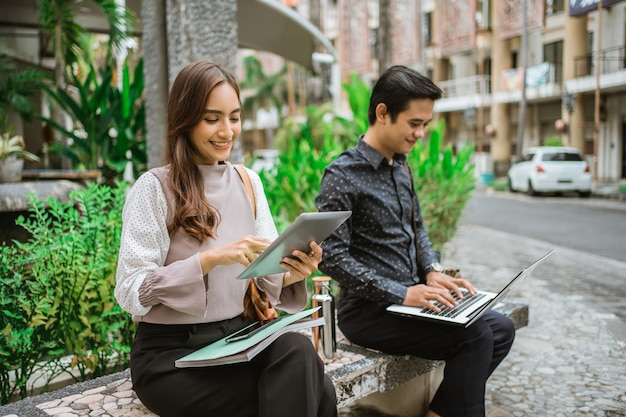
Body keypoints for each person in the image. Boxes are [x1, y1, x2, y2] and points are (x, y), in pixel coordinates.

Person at [115, 60, 338, 417]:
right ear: (185, 119)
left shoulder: (249, 181)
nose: (227, 131)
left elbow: (263, 275)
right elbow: (130, 291)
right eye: (212, 118)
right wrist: (210, 259)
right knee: (315, 389)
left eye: (234, 117)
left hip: (239, 339)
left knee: (300, 355)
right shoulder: (153, 188)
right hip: (172, 356)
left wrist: (295, 271)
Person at [315, 65, 515, 417]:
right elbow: (331, 257)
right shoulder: (342, 175)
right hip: (368, 311)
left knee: (500, 327)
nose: (421, 133)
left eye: (425, 124)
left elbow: (417, 227)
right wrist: (402, 293)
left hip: (409, 302)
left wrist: (432, 270)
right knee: (475, 335)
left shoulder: (401, 166)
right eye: (414, 123)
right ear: (382, 113)